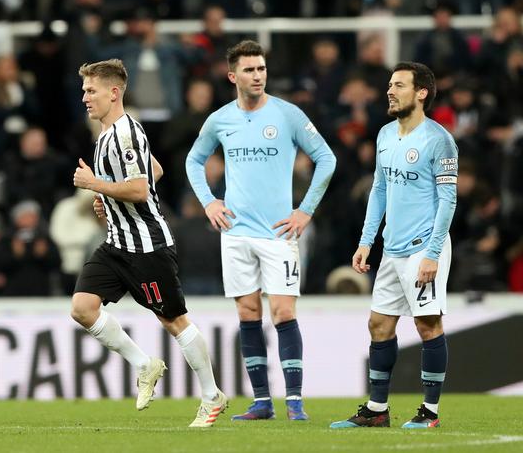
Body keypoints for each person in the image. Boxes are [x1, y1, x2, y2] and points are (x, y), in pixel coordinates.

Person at [70, 59, 227, 428]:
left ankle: (211, 395)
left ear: (114, 92)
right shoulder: (108, 136)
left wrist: (97, 185)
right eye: (83, 91)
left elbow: (141, 189)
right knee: (82, 307)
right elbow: (153, 171)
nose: (85, 98)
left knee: (173, 320)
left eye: (91, 91)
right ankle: (144, 364)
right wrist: (108, 198)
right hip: (116, 244)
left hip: (147, 247)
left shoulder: (125, 133)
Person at [185, 40, 337, 421]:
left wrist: (305, 210)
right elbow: (194, 160)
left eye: (262, 69)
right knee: (248, 312)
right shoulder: (220, 119)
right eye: (250, 70)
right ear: (232, 76)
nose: (258, 75)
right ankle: (262, 402)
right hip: (235, 232)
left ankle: (296, 402)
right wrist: (209, 201)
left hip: (278, 233)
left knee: (283, 313)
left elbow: (326, 158)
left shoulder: (287, 115)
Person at [330, 62, 458, 430]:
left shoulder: (439, 140)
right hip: (393, 249)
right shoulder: (385, 134)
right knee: (379, 325)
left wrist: (433, 254)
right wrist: (366, 241)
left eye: (399, 85)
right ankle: (376, 410)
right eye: (389, 84)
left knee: (427, 325)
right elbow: (380, 190)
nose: (390, 90)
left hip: (423, 247)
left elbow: (448, 200)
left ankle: (430, 413)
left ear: (421, 93)